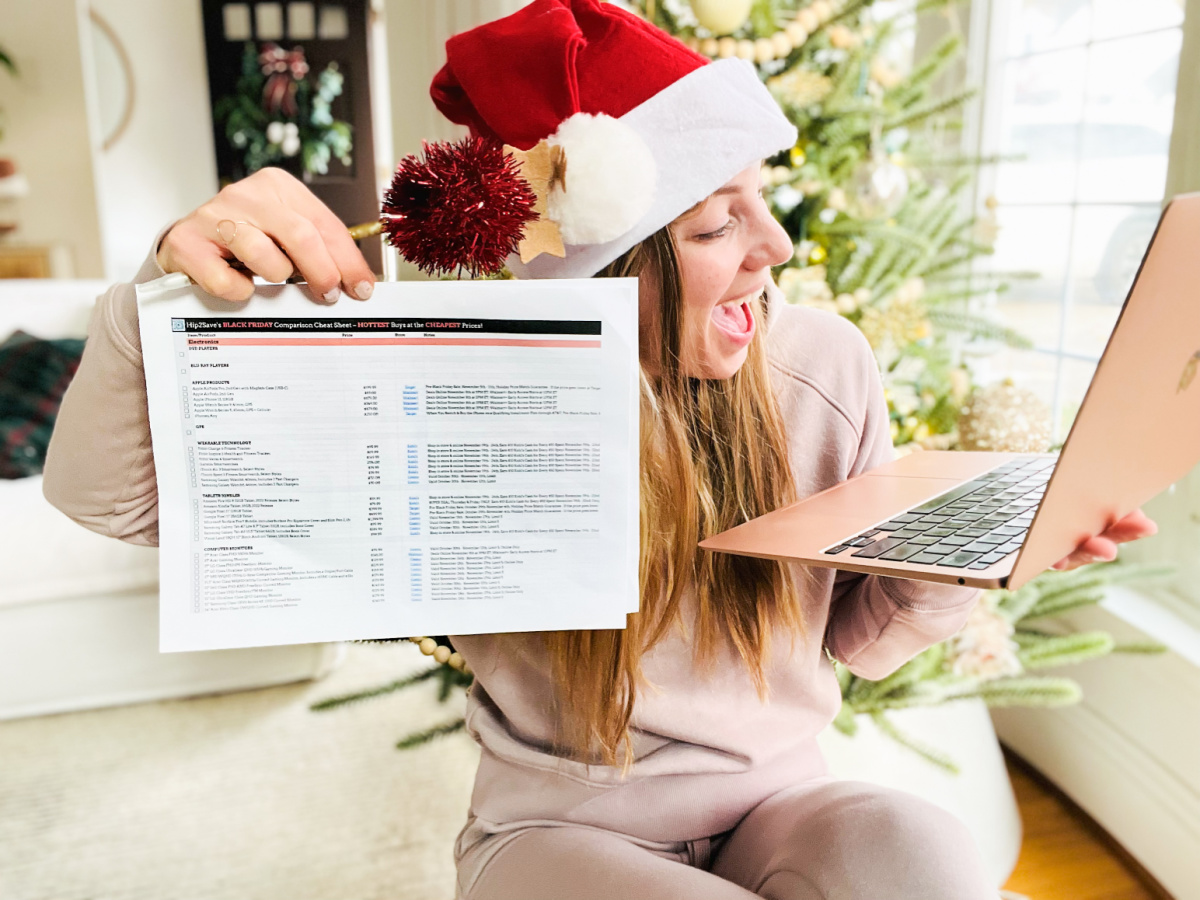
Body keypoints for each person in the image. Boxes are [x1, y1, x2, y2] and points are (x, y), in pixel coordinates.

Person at [43, 1, 1157, 898]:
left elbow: (863, 647)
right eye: (717, 224)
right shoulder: (452, 393)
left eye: (761, 203)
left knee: (926, 863)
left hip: (782, 798)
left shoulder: (824, 365)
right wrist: (160, 297)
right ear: (601, 273)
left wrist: (973, 560)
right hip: (553, 832)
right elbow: (112, 501)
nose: (775, 247)